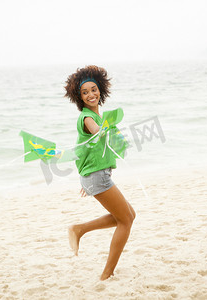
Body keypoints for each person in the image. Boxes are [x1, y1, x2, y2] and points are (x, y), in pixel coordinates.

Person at [64, 65, 136, 281]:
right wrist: (104, 131)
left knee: (128, 216)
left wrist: (87, 178)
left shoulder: (99, 115)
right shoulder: (87, 118)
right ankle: (106, 274)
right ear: (79, 97)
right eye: (85, 92)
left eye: (93, 89)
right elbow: (96, 132)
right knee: (125, 220)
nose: (90, 95)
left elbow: (87, 151)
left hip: (97, 176)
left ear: (101, 90)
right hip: (97, 177)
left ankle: (80, 229)